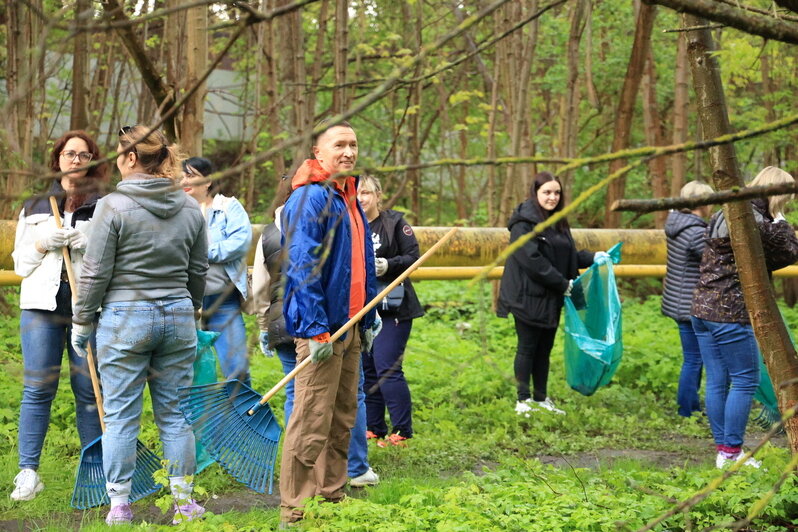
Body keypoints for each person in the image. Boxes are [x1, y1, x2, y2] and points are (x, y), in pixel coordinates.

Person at [71, 125, 208, 524]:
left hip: (125, 319)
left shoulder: (112, 206)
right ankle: (183, 503)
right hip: (178, 316)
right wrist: (192, 310)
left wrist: (82, 321)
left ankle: (119, 506)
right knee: (176, 415)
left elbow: (95, 273)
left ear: (131, 158)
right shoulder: (188, 207)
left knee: (120, 416)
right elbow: (198, 269)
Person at [278, 120, 379, 527]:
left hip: (351, 326)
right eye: (340, 145)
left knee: (341, 418)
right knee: (310, 420)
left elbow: (362, 266)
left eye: (353, 145)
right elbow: (301, 266)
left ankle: (332, 494)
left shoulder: (348, 196)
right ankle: (296, 508)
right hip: (323, 330)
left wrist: (368, 317)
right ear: (318, 153)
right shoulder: (311, 198)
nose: (349, 152)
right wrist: (314, 327)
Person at [252, 180, 378, 487]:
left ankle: (312, 476)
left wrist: (263, 325)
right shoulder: (329, 225)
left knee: (299, 397)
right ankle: (353, 468)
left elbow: (259, 286)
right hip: (317, 322)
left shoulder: (268, 233)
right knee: (344, 398)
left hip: (283, 321)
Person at [10, 130, 107, 501]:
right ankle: (28, 473)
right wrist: (41, 243)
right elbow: (20, 264)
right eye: (70, 154)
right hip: (40, 308)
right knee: (37, 388)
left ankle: (94, 471)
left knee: (88, 391)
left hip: (87, 308)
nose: (76, 160)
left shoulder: (104, 205)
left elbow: (114, 260)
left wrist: (90, 244)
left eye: (84, 155)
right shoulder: (37, 203)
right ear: (58, 159)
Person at [691, 166, 798, 469]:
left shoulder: (727, 210)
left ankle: (724, 451)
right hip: (729, 312)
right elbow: (791, 251)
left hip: (702, 309)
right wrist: (781, 220)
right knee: (744, 380)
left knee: (717, 380)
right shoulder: (755, 220)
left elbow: (769, 258)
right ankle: (731, 452)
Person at [497, 171, 596, 416]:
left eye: (556, 193)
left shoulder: (558, 221)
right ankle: (523, 400)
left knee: (545, 349)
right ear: (536, 193)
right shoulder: (524, 223)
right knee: (527, 347)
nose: (552, 197)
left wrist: (594, 257)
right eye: (547, 192)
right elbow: (532, 260)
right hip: (526, 296)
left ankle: (541, 398)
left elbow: (567, 254)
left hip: (551, 297)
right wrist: (562, 283)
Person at [356, 175, 424, 447]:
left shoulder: (395, 223)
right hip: (363, 309)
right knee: (368, 369)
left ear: (378, 196)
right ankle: (374, 427)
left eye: (366, 193)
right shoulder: (350, 225)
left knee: (387, 367)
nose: (361, 199)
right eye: (357, 193)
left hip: (394, 308)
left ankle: (402, 430)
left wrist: (389, 264)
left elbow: (413, 257)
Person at [181, 157, 252, 383]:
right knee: (190, 372)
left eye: (190, 175)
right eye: (181, 176)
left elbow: (239, 242)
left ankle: (245, 417)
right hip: (185, 304)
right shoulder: (175, 213)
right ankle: (199, 418)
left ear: (208, 180)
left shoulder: (228, 208)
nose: (184, 180)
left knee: (237, 368)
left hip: (223, 301)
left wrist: (203, 252)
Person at [661, 181, 714, 417]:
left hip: (679, 300)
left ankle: (691, 405)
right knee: (694, 359)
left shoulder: (677, 225)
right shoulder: (695, 233)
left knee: (694, 358)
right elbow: (716, 260)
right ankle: (686, 410)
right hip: (689, 303)